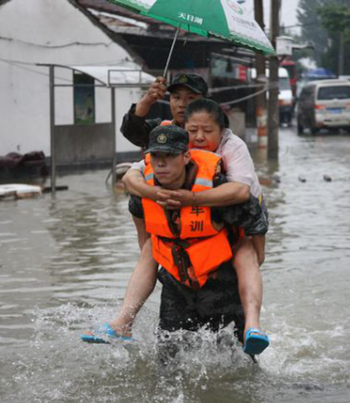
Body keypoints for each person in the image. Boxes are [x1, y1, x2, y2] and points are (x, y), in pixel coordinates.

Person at [82, 125, 269, 355]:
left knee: (238, 360)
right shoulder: (144, 193)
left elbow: (253, 215)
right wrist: (151, 251)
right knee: (167, 362)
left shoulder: (216, 189)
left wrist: (257, 255)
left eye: (169, 156)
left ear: (186, 157)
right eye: (156, 156)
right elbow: (138, 215)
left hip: (222, 284)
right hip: (177, 287)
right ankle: (122, 323)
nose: (161, 163)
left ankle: (253, 326)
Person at [120, 73, 208, 149]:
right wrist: (146, 100)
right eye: (176, 97)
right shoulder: (160, 130)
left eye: (190, 98)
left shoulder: (215, 133)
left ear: (205, 101)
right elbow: (132, 132)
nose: (182, 104)